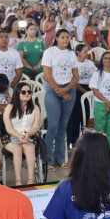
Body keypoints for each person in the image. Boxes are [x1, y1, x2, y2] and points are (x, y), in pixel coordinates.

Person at [41, 29, 79, 169]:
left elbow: (76, 76)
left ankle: (60, 158)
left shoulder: (71, 53)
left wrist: (66, 89)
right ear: (56, 38)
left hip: (68, 89)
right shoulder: (50, 52)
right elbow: (47, 75)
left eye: (67, 37)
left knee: (63, 125)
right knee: (52, 126)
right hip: (53, 90)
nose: (65, 39)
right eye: (62, 37)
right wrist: (60, 91)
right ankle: (46, 159)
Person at [2, 82, 42, 186]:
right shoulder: (9, 107)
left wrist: (27, 134)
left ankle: (30, 180)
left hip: (29, 137)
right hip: (11, 138)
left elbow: (35, 127)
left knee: (30, 148)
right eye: (23, 92)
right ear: (17, 94)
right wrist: (18, 136)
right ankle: (18, 181)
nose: (27, 94)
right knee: (17, 149)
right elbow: (8, 128)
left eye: (29, 91)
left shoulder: (35, 108)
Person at [90, 51, 110, 160]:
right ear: (102, 60)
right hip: (101, 105)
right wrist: (107, 102)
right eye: (105, 58)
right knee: (100, 133)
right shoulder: (97, 73)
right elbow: (95, 90)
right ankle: (99, 157)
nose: (107, 60)